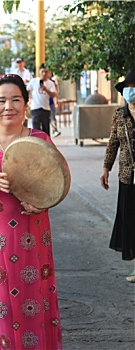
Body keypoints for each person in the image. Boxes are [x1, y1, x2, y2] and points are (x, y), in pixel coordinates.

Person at [0, 74, 63, 349]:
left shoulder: (40, 139)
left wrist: (43, 203)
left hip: (35, 238)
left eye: (16, 100)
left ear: (26, 104)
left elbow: (58, 183)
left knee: (37, 301)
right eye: (1, 101)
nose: (9, 107)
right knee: (1, 304)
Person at [100, 68, 135, 283]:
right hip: (127, 175)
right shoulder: (119, 115)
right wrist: (106, 168)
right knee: (131, 220)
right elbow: (113, 142)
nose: (131, 92)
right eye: (129, 88)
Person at [27, 64, 57, 136]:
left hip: (45, 108)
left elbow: (53, 95)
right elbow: (27, 90)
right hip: (35, 108)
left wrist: (46, 90)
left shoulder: (51, 83)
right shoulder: (33, 81)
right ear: (39, 72)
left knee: (46, 130)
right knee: (36, 129)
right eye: (42, 71)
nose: (44, 74)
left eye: (46, 72)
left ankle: (46, 145)